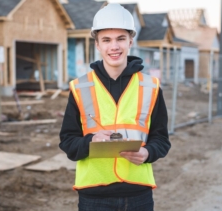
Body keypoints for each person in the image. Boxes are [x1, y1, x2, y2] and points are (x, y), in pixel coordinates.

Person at [59, 3, 170, 211]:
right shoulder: (80, 88)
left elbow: (162, 139)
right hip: (94, 196)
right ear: (98, 44)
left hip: (138, 194)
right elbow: (67, 142)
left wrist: (148, 153)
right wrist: (91, 141)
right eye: (106, 40)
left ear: (130, 40)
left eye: (120, 39)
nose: (114, 47)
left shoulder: (151, 87)